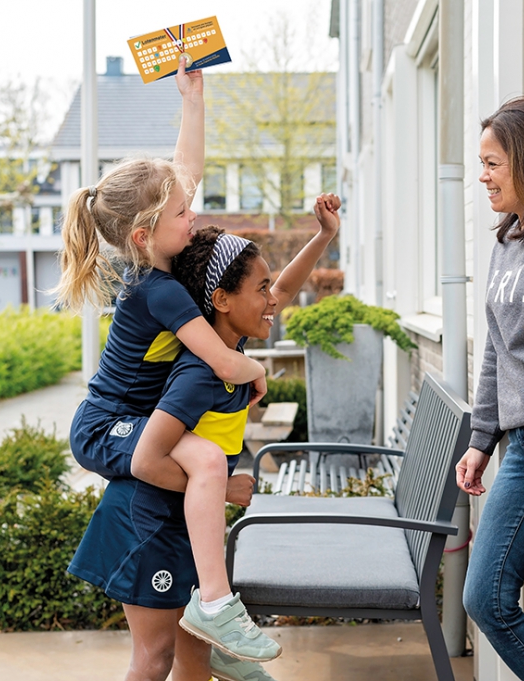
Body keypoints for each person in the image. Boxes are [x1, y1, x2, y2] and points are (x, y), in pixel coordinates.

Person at [56, 56, 276, 675]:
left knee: (203, 460)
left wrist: (193, 99)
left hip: (127, 419)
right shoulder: (163, 291)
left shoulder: (157, 261)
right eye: (183, 214)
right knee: (205, 458)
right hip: (105, 424)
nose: (195, 215)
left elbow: (186, 171)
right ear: (144, 234)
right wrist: (253, 371)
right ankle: (215, 600)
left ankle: (210, 608)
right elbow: (219, 360)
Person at [72, 198, 340, 681]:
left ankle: (219, 629)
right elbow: (148, 459)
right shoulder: (202, 371)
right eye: (260, 289)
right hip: (147, 520)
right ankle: (218, 614)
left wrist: (322, 238)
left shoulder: (230, 344)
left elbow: (280, 289)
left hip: (186, 526)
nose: (274, 299)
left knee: (193, 664)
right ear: (221, 301)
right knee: (155, 661)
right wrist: (227, 487)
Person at [456, 96, 524, 681]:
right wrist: (482, 436)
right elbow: (495, 345)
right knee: (486, 598)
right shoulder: (506, 242)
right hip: (519, 441)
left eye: (493, 163)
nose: (483, 175)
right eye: (480, 162)